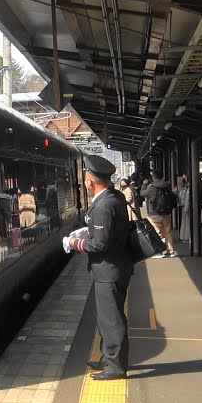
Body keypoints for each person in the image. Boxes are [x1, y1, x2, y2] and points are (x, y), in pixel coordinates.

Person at [64, 155, 133, 380]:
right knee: (107, 317)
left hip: (108, 270)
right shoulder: (115, 197)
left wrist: (75, 243)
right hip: (115, 268)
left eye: (85, 177)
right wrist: (89, 231)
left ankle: (116, 367)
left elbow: (101, 244)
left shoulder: (103, 205)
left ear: (90, 182)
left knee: (111, 320)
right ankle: (108, 357)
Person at [142, 170, 178, 258]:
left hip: (154, 213)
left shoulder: (151, 187)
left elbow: (142, 194)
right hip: (166, 212)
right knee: (168, 232)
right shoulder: (167, 185)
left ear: (153, 177)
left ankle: (159, 252)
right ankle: (171, 251)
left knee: (156, 232)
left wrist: (144, 184)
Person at [177, 175, 191, 243]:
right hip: (184, 206)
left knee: (187, 222)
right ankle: (185, 237)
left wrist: (186, 207)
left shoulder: (188, 187)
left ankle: (187, 237)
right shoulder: (186, 186)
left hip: (186, 207)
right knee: (185, 222)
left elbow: (188, 198)